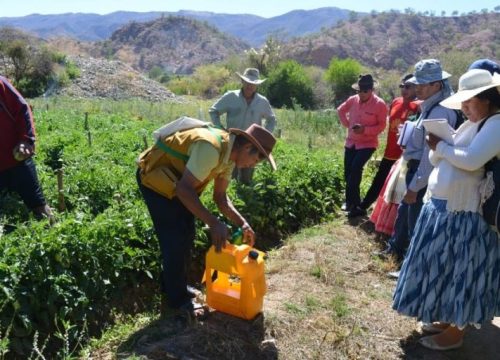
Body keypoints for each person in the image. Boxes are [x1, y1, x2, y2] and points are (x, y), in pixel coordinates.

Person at [393, 69, 500, 351]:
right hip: (446, 208)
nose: (464, 108)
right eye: (462, 103)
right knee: (445, 269)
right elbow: (439, 156)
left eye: (470, 102)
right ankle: (448, 321)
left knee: (460, 273)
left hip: (464, 212)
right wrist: (441, 147)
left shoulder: (496, 124)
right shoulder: (473, 123)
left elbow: (471, 160)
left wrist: (441, 146)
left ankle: (456, 331)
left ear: (487, 99)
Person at [136, 122, 276, 318]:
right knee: (175, 238)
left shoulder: (230, 158)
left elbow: (220, 197)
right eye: (256, 159)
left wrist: (242, 223)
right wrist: (213, 222)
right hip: (156, 181)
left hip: (177, 184)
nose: (253, 165)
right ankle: (177, 301)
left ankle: (174, 287)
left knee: (187, 233)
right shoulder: (211, 148)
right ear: (246, 147)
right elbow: (185, 190)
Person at [378, 60, 457, 267]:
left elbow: (429, 156)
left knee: (416, 224)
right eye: (417, 84)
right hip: (415, 172)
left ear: (437, 86)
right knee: (405, 215)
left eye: (422, 85)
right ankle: (396, 253)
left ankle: (411, 267)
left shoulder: (440, 112)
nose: (417, 89)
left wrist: (415, 187)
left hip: (422, 177)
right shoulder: (429, 108)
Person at [360, 74, 419, 211]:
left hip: (405, 156)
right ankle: (364, 205)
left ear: (417, 88)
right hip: (390, 151)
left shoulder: (418, 107)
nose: (404, 89)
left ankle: (390, 219)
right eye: (402, 86)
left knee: (399, 187)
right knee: (380, 181)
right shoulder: (396, 102)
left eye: (408, 87)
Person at [209, 68, 276, 184]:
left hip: (252, 145)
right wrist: (220, 129)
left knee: (247, 176)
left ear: (257, 85)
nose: (250, 86)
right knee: (228, 175)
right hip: (233, 142)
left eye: (253, 84)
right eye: (248, 82)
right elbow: (214, 111)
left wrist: (263, 137)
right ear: (242, 81)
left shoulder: (262, 101)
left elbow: (272, 119)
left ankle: (246, 196)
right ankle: (227, 195)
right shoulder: (231, 96)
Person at [0, 75, 53, 221]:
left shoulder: (1, 84)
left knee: (39, 208)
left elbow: (22, 109)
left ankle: (56, 233)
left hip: (17, 160)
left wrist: (25, 140)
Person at [337, 74, 387, 218]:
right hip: (351, 141)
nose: (362, 93)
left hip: (368, 143)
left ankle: (353, 203)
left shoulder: (379, 104)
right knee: (348, 171)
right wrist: (347, 124)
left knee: (355, 167)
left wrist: (365, 130)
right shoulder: (353, 100)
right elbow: (340, 110)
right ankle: (352, 202)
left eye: (365, 91)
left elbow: (382, 125)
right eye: (359, 90)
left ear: (372, 90)